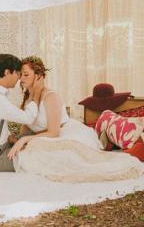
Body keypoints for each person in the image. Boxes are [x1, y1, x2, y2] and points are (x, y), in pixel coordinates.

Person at [8, 56, 144, 183]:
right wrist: (19, 137)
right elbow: (28, 121)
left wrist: (25, 139)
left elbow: (54, 133)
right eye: (21, 75)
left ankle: (114, 149)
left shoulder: (50, 97)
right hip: (44, 136)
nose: (21, 78)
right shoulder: (29, 96)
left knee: (68, 163)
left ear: (38, 76)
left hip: (63, 133)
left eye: (26, 75)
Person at [0, 53, 44, 172]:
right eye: (17, 73)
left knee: (33, 138)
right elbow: (28, 118)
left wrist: (11, 138)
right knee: (39, 157)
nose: (19, 78)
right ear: (7, 72)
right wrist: (36, 92)